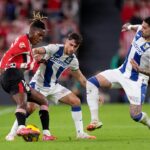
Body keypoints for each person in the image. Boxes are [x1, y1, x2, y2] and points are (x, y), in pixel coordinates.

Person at [5, 32, 96, 141]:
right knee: (29, 108)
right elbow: (36, 50)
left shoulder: (73, 60)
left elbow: (81, 79)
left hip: (53, 86)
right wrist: (36, 55)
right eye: (71, 44)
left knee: (75, 101)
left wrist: (94, 91)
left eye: (75, 46)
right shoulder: (55, 48)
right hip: (38, 84)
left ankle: (80, 133)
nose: (72, 48)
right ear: (66, 41)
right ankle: (11, 134)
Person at [86, 16, 150, 131]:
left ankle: (149, 123)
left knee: (135, 115)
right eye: (143, 26)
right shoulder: (141, 30)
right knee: (91, 82)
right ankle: (95, 121)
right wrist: (129, 26)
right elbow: (137, 27)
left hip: (137, 80)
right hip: (122, 71)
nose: (142, 29)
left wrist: (140, 70)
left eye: (145, 28)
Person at [0, 12, 54, 141]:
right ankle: (20, 129)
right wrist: (2, 69)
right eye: (39, 35)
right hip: (12, 74)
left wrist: (37, 62)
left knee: (42, 101)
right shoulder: (23, 42)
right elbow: (8, 55)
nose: (40, 38)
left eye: (42, 36)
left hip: (16, 76)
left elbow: (25, 64)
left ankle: (46, 134)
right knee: (22, 103)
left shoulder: (28, 45)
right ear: (32, 31)